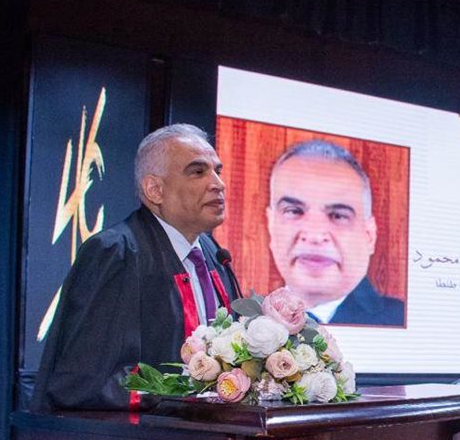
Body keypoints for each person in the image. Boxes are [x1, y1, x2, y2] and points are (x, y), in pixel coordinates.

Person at [32, 124, 241, 412]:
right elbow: (83, 380)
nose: (218, 184)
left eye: (217, 171)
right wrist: (180, 391)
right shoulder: (116, 252)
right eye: (198, 172)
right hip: (138, 436)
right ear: (155, 190)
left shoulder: (214, 254)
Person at [265, 139, 404, 326]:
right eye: (294, 211)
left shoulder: (399, 318)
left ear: (369, 236)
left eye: (338, 215)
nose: (314, 236)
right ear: (271, 225)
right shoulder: (245, 319)